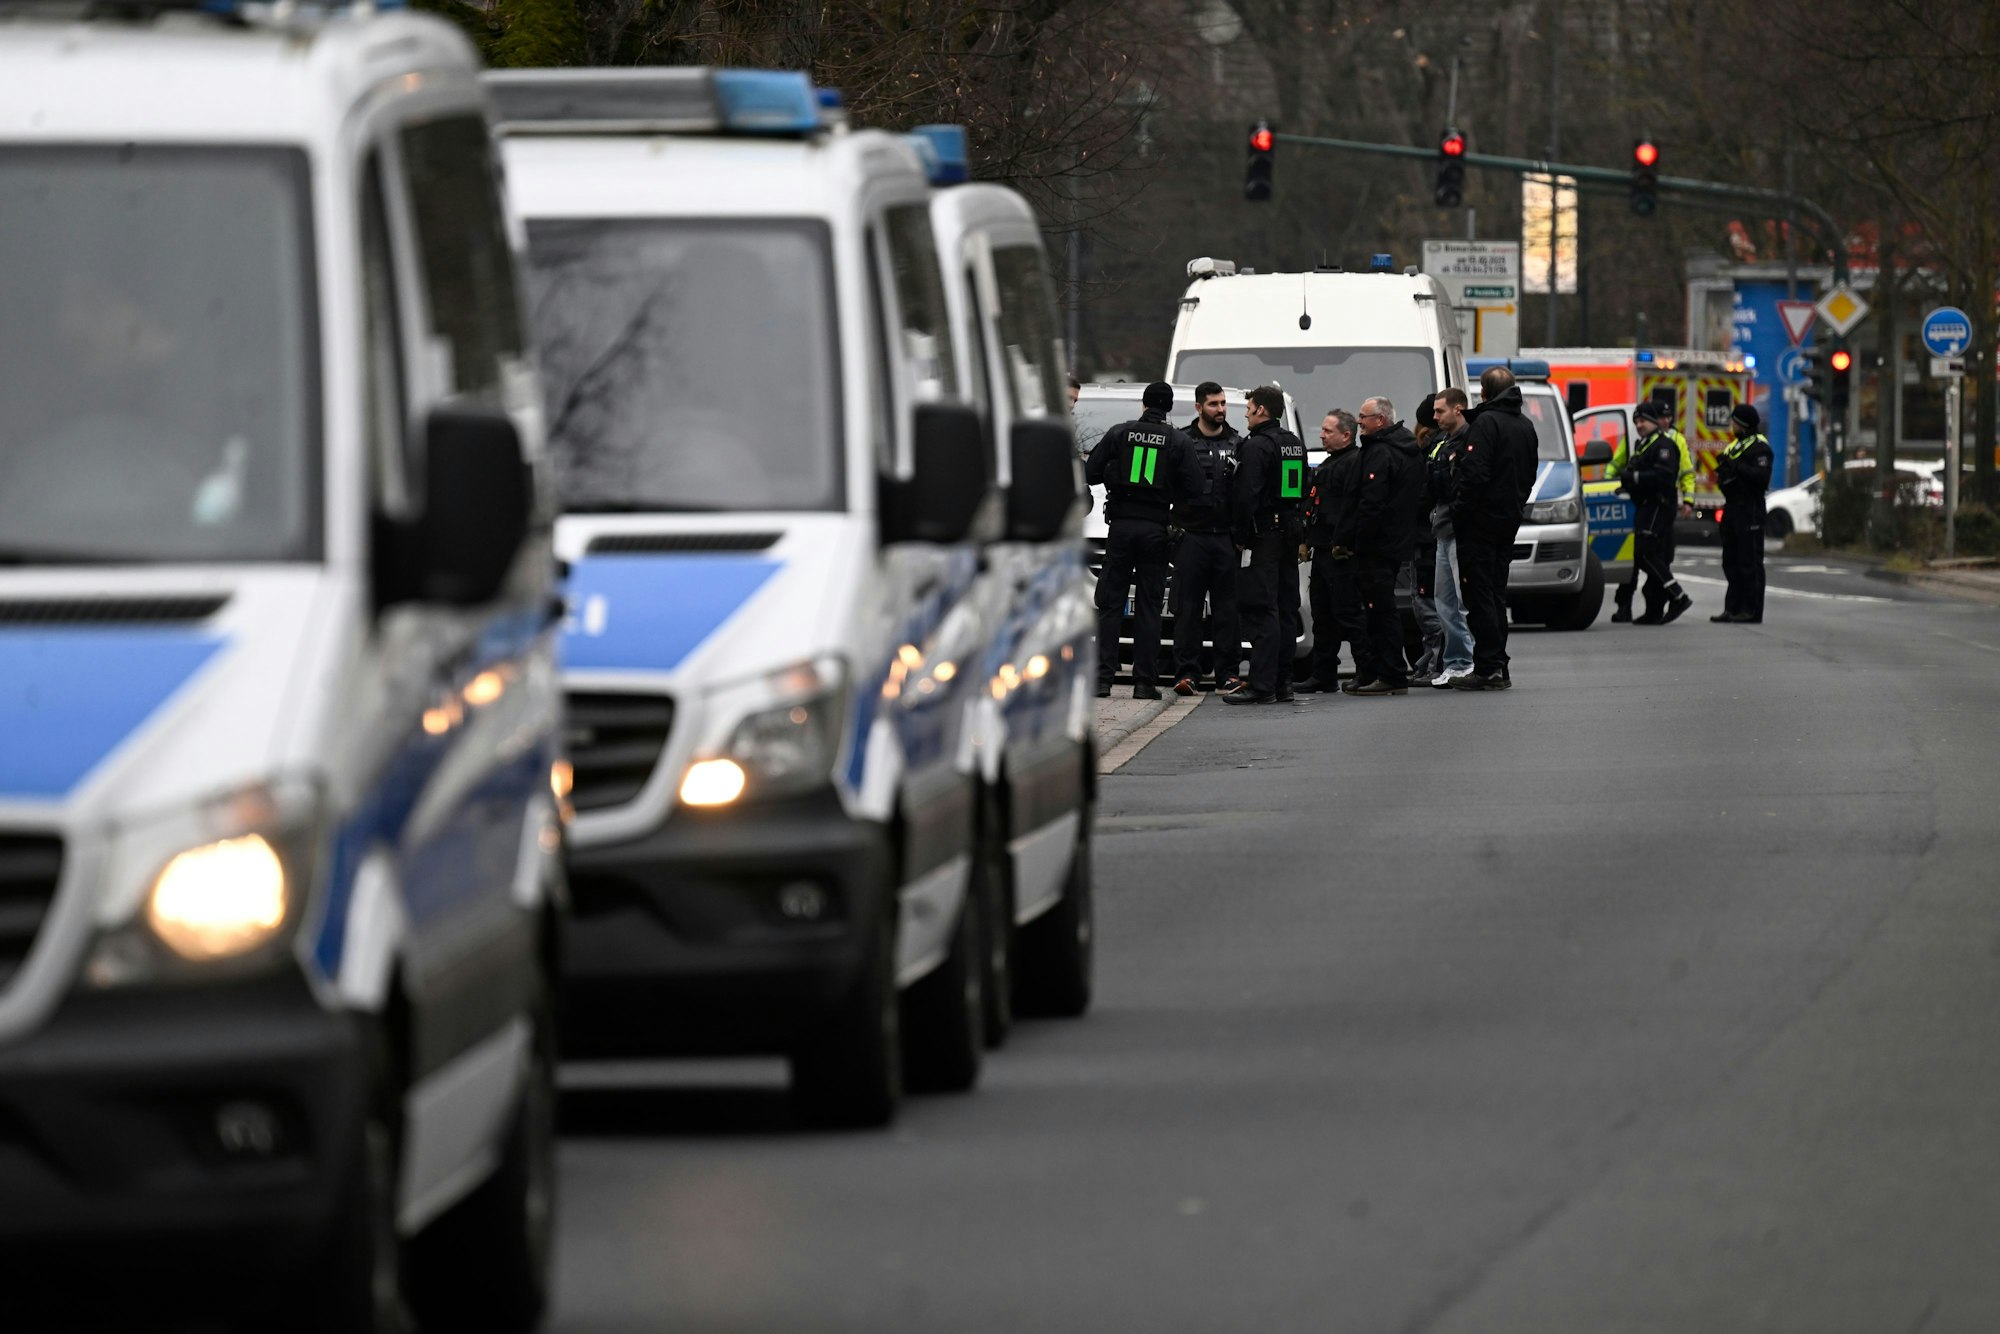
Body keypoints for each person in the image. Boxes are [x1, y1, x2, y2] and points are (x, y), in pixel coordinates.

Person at [1086, 381, 1200, 698]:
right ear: (1168, 408)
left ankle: (1102, 679)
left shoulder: (1120, 433)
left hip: (1121, 526)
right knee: (1149, 606)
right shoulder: (1177, 440)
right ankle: (1144, 683)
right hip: (1155, 528)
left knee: (1110, 603)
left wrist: (1113, 472)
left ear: (1143, 404)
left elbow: (1091, 472)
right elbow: (1195, 486)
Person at [1449, 366, 1539, 690]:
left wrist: (1460, 511)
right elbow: (1529, 475)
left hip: (1480, 522)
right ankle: (1497, 664)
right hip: (1507, 519)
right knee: (1495, 593)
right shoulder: (1525, 425)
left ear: (1484, 393)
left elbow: (1474, 475)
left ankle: (1488, 667)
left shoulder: (1486, 423)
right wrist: (1514, 504)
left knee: (1479, 593)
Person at [1224, 384, 1306, 705]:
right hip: (1289, 533)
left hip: (1263, 537)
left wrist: (1240, 537)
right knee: (1286, 608)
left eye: (1248, 408)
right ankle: (1283, 683)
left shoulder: (1257, 446)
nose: (1245, 414)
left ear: (1261, 410)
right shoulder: (1294, 443)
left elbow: (1246, 495)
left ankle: (1262, 685)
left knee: (1261, 608)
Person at [1342, 396, 1424, 695]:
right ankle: (1380, 672)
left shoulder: (1381, 453)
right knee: (1380, 609)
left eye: (1363, 417)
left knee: (1380, 611)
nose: (1358, 421)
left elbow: (1371, 504)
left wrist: (1358, 543)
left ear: (1381, 420)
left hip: (1377, 546)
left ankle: (1390, 674)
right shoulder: (1406, 447)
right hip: (1394, 542)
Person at [1170, 382, 1243, 694]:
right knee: (1188, 609)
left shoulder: (1239, 442)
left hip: (1225, 539)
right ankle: (1188, 673)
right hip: (1192, 537)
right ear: (1199, 407)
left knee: (1227, 610)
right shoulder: (1181, 442)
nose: (1221, 409)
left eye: (1223, 403)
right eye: (1213, 404)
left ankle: (1228, 673)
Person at [1299, 409, 1365, 693]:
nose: (1322, 435)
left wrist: (1343, 541)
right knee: (1322, 616)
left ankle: (1366, 670)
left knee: (1349, 614)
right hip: (1323, 549)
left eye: (1328, 431)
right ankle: (1323, 673)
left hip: (1342, 553)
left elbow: (1349, 511)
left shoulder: (1353, 463)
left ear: (1347, 435)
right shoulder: (1330, 463)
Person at [1608, 402, 1692, 623]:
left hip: (1658, 506)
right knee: (1644, 554)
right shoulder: (1643, 445)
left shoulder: (1664, 446)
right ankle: (1659, 606)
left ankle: (1678, 597)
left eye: (1642, 420)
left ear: (1654, 422)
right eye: (1636, 421)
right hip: (1646, 506)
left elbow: (1663, 477)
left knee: (1645, 552)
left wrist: (1634, 478)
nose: (1639, 425)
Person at [1426, 388, 1477, 686]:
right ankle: (1456, 662)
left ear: (1458, 409)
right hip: (1442, 528)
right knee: (1444, 602)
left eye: (1439, 411)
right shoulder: (1442, 441)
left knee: (1462, 600)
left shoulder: (1468, 440)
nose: (1434, 417)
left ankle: (1470, 661)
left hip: (1457, 530)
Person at [1712, 403, 1774, 623]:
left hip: (1750, 508)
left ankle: (1751, 610)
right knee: (1731, 560)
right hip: (1732, 507)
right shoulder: (1734, 447)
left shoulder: (1760, 448)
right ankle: (1733, 608)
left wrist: (1737, 468)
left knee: (1750, 562)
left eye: (1735, 422)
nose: (1732, 426)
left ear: (1744, 425)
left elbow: (1761, 477)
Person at [1407, 395, 1445, 682]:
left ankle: (1437, 659)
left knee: (1425, 602)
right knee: (1426, 600)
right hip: (1429, 536)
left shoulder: (1430, 450)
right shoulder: (1436, 447)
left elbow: (1422, 496)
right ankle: (1429, 658)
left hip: (1424, 537)